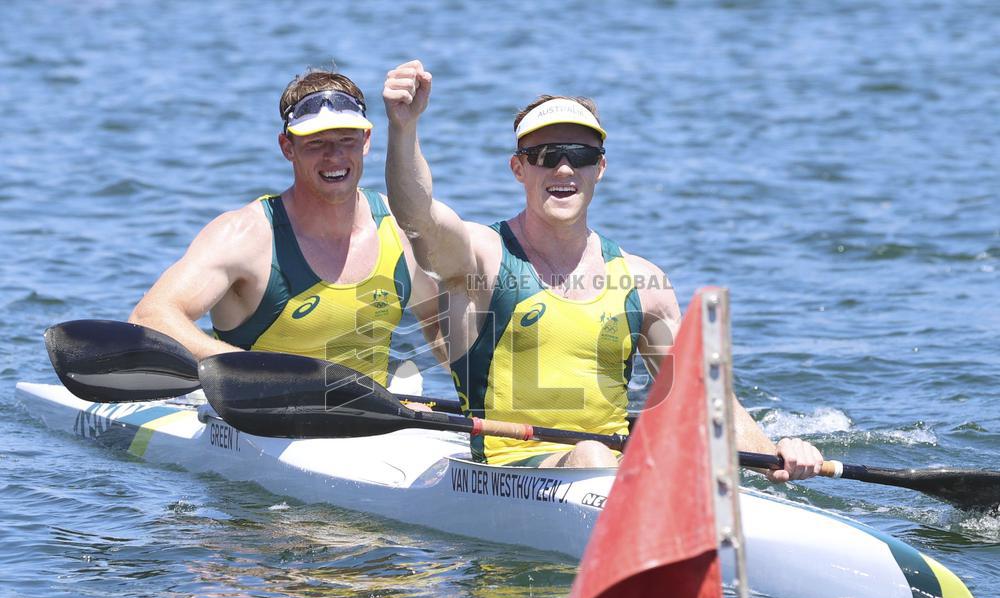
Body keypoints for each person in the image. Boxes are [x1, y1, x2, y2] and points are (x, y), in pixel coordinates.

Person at [382, 60, 822, 481]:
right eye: (546, 155)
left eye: (581, 154)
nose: (565, 168)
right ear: (518, 168)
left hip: (612, 471)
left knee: (613, 455)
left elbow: (705, 395)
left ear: (601, 167)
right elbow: (418, 217)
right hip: (509, 471)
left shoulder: (643, 282)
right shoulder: (481, 257)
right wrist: (404, 129)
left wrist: (774, 455)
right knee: (592, 455)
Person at [129, 67, 442, 387]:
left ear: (366, 141)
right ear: (287, 147)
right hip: (260, 419)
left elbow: (439, 329)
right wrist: (244, 369)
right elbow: (150, 318)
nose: (333, 156)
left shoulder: (399, 226)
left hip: (370, 421)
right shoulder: (245, 236)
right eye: (316, 143)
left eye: (346, 140)